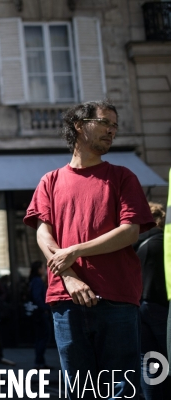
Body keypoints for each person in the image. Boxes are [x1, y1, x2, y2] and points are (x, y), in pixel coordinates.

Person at [24, 100, 155, 399]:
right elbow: (43, 233)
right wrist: (69, 276)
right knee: (80, 391)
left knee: (121, 391)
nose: (112, 131)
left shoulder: (123, 177)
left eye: (115, 126)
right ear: (79, 125)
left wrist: (75, 250)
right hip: (66, 299)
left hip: (117, 297)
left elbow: (130, 232)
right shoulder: (50, 181)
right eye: (105, 123)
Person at [134, 202, 170, 398]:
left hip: (137, 306)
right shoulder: (163, 242)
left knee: (149, 361)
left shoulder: (131, 244)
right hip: (161, 306)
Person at [27, 260, 50, 369]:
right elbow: (37, 297)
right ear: (39, 269)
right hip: (40, 313)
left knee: (41, 337)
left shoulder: (34, 280)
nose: (44, 270)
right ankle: (39, 362)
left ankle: (40, 361)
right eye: (42, 267)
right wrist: (45, 308)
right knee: (43, 337)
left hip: (38, 313)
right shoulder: (37, 281)